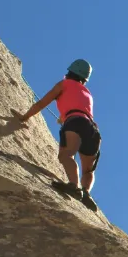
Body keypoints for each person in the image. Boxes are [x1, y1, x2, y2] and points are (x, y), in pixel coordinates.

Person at [16, 59, 101, 211]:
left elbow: (41, 104)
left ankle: (74, 186)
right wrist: (64, 117)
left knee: (66, 155)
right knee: (88, 170)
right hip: (92, 129)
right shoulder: (87, 93)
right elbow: (80, 110)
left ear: (69, 73)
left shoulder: (63, 84)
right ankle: (86, 193)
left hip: (74, 122)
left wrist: (24, 117)